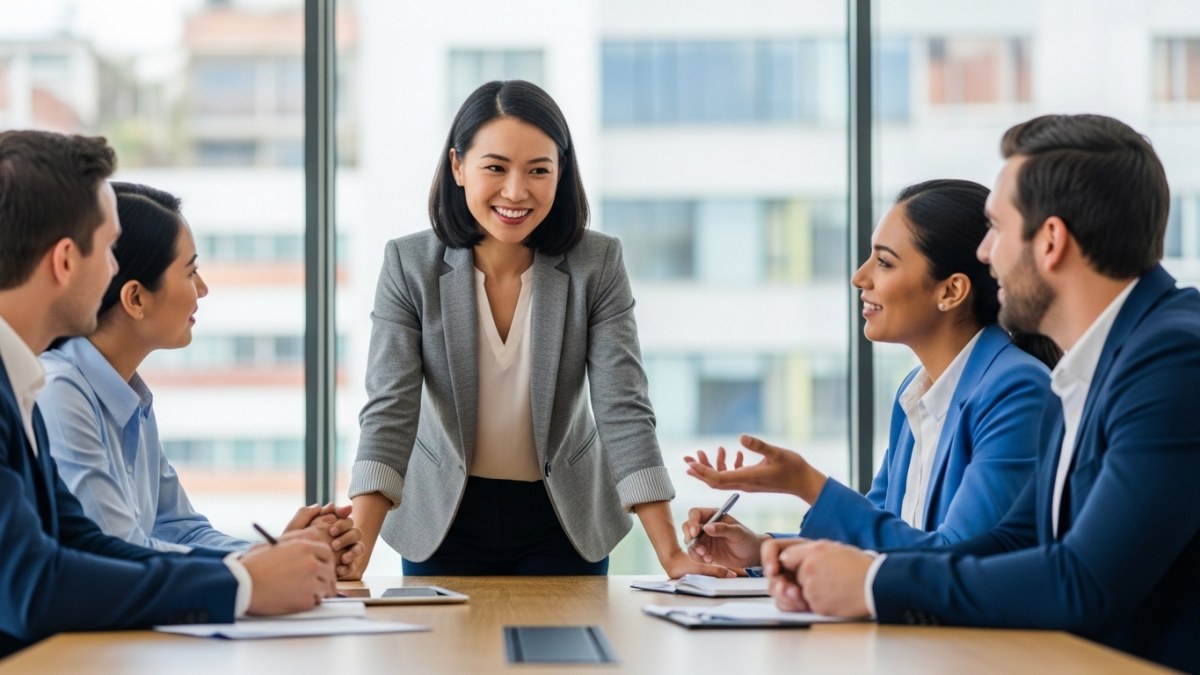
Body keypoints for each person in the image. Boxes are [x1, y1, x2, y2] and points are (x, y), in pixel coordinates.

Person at [762, 114, 1200, 673]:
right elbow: (1009, 541)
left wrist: (873, 581)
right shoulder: (1089, 365)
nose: (986, 253)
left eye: (995, 228)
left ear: (1050, 241)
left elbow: (1084, 581)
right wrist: (829, 567)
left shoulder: (1172, 360)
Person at [345, 80, 730, 578]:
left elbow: (623, 407)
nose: (515, 191)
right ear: (458, 166)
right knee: (439, 657)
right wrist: (355, 558)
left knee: (567, 656)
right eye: (495, 168)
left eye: (538, 171)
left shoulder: (598, 264)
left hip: (563, 517)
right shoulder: (409, 264)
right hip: (442, 516)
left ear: (561, 173)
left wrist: (671, 557)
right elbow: (389, 412)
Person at [0, 129, 335, 656]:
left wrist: (260, 565)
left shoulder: (22, 382)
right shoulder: (46, 387)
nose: (114, 270)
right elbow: (34, 585)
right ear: (65, 261)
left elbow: (83, 542)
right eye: (110, 249)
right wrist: (244, 584)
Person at [681, 180, 1057, 571]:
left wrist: (807, 484)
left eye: (884, 262)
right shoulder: (916, 391)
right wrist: (763, 549)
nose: (859, 277)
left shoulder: (1016, 389)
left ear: (951, 291)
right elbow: (880, 533)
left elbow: (958, 560)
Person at [36, 181, 363, 577]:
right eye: (190, 271)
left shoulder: (131, 397)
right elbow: (118, 547)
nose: (203, 289)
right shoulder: (59, 392)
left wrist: (286, 551)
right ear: (135, 298)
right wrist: (264, 565)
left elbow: (179, 528)